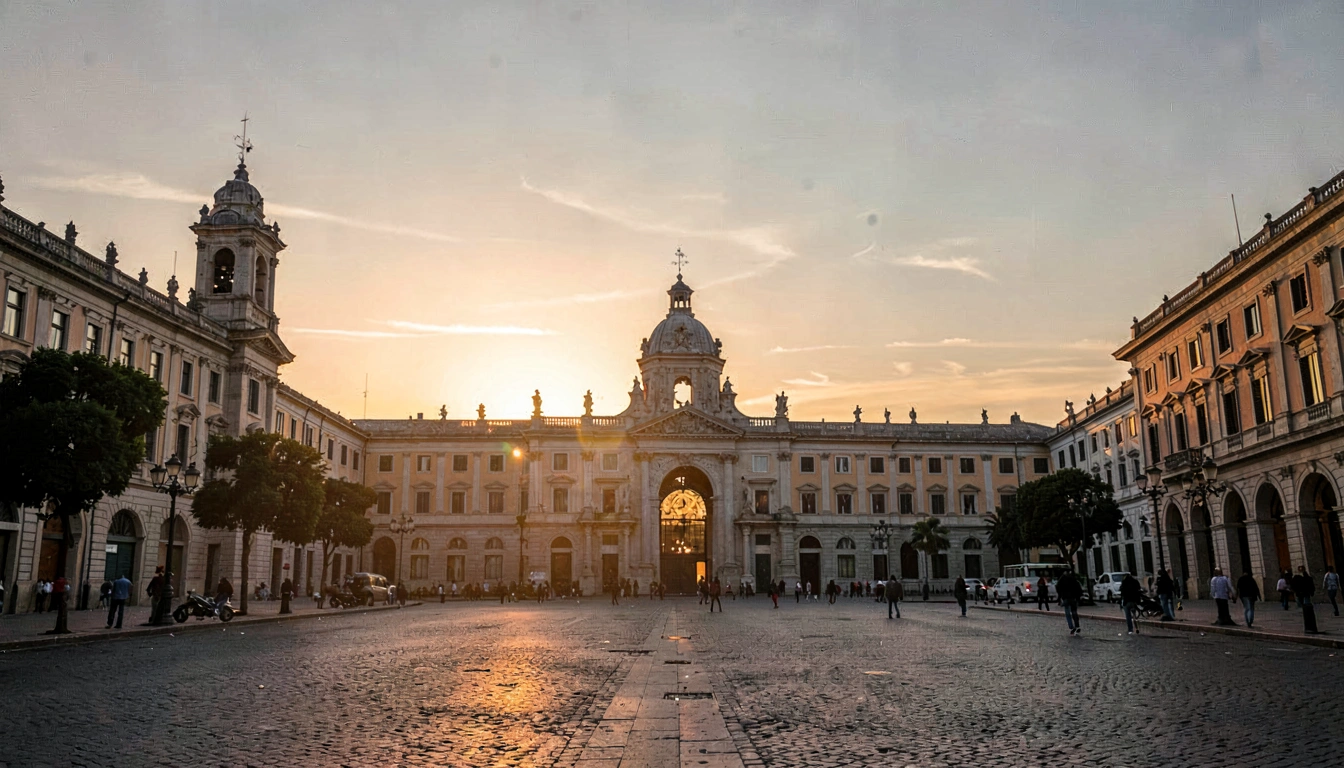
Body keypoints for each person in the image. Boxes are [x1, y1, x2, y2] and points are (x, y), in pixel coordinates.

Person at [1056, 569, 1083, 636]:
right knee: (1074, 612)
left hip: (1066, 598)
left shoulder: (1062, 579)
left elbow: (1058, 587)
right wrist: (1078, 597)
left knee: (1068, 614)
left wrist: (1060, 596)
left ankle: (1071, 627)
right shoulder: (1073, 579)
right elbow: (1078, 587)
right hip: (1073, 598)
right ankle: (1077, 625)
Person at [1292, 566, 1318, 634]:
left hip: (1304, 592)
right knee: (1303, 604)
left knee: (1306, 605)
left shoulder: (1305, 577)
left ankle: (1305, 616)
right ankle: (1304, 615)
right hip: (1302, 593)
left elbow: (1310, 584)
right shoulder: (1298, 577)